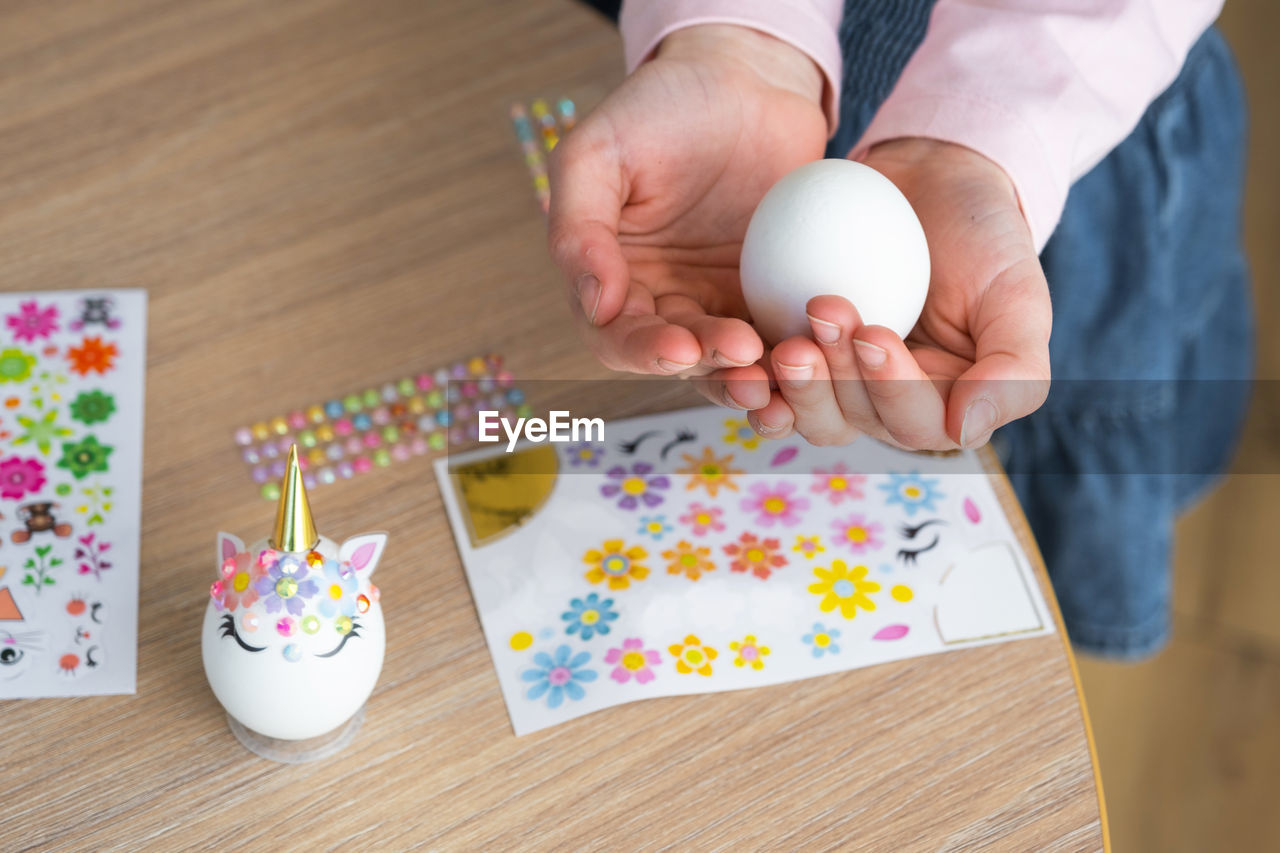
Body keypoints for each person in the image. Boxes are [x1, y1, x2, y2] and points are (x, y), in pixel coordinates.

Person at [547, 1, 1253, 658]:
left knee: (1033, 537)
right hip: (739, 129)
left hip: (1070, 126)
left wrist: (980, 130)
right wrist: (742, 35)